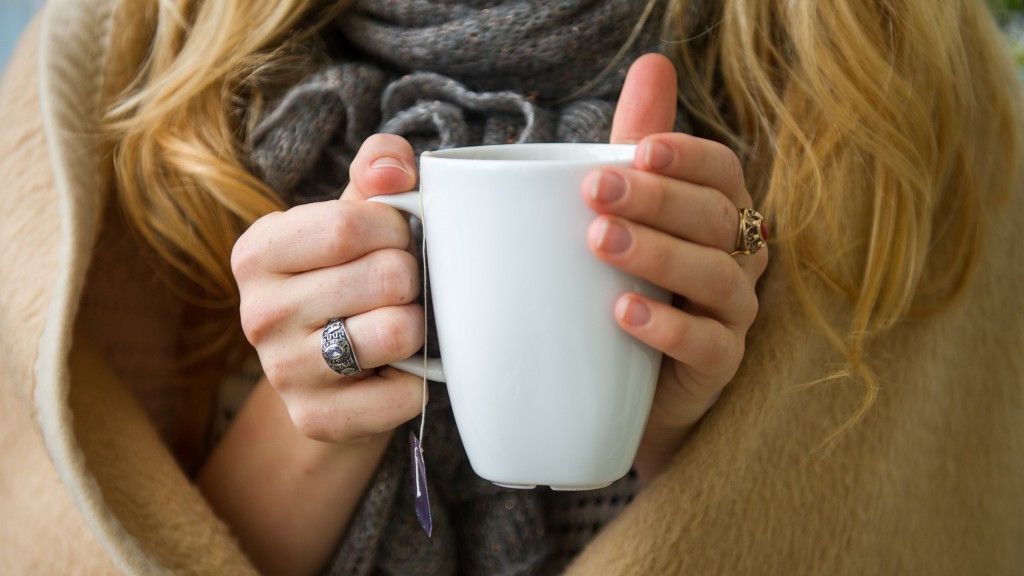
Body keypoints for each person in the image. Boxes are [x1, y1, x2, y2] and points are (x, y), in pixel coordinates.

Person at [0, 0, 1021, 574]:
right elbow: (88, 542)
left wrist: (705, 441)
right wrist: (334, 395)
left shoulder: (895, 77)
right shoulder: (124, 62)